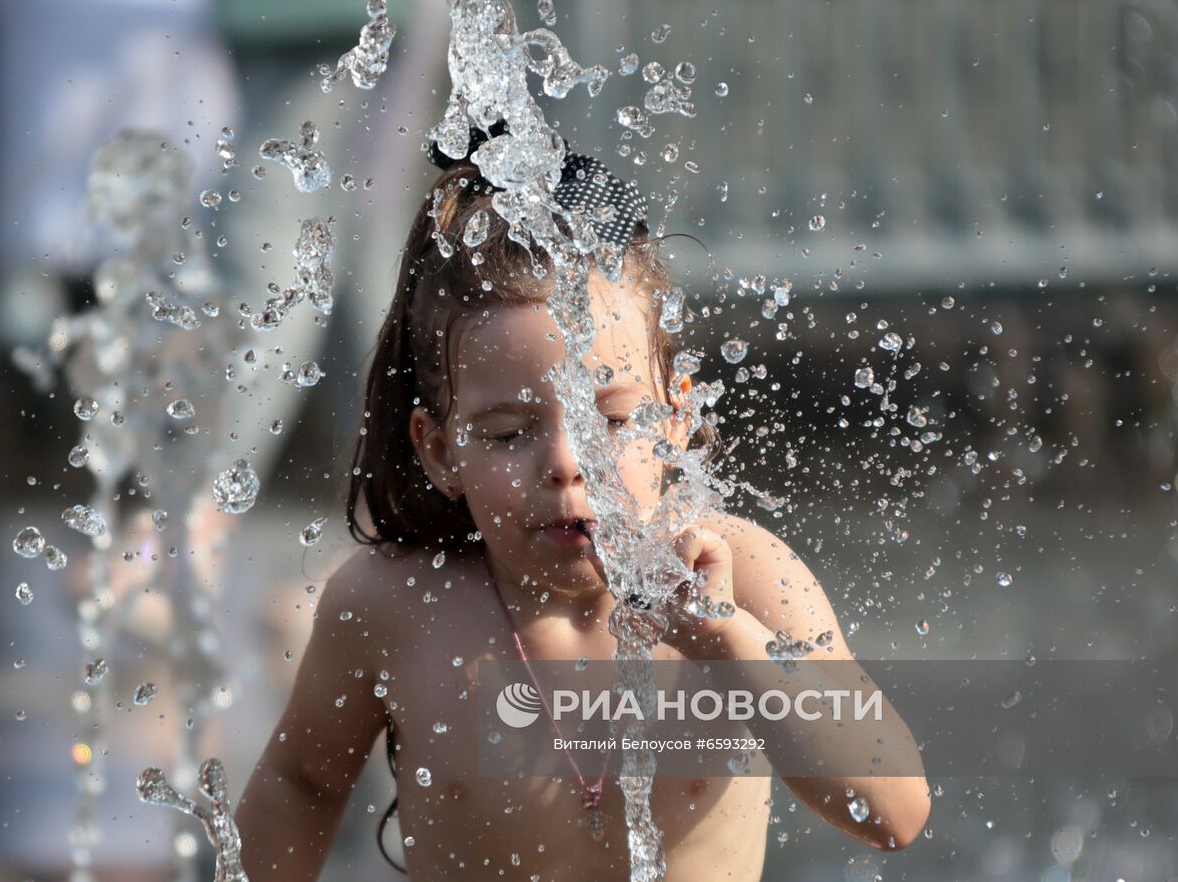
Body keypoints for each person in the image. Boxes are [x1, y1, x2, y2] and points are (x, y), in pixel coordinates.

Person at [233, 133, 932, 880]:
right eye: (509, 433)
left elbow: (894, 809)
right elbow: (298, 785)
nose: (567, 464)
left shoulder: (748, 576)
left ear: (677, 416)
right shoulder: (394, 607)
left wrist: (729, 642)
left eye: (615, 420)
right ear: (441, 452)